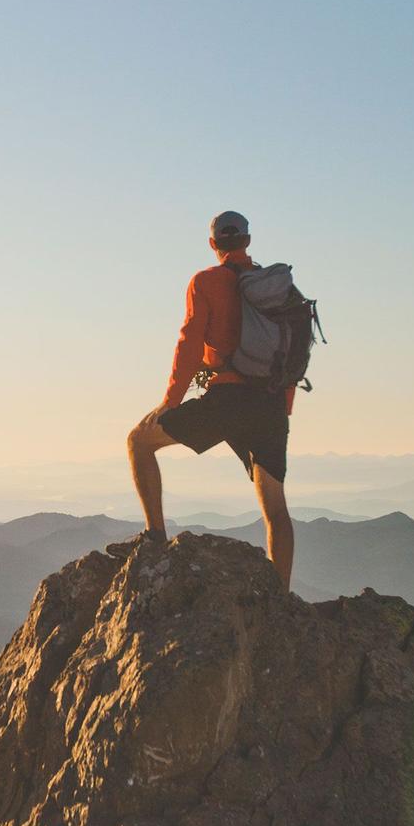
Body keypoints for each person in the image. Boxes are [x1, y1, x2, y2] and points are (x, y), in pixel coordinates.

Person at [127, 209, 294, 590]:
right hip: (269, 404)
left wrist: (170, 401)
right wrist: (282, 408)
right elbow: (293, 350)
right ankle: (280, 596)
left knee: (138, 441)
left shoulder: (205, 281)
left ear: (213, 244)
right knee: (275, 507)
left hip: (227, 398)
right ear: (248, 241)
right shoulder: (274, 289)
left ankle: (154, 539)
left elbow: (188, 342)